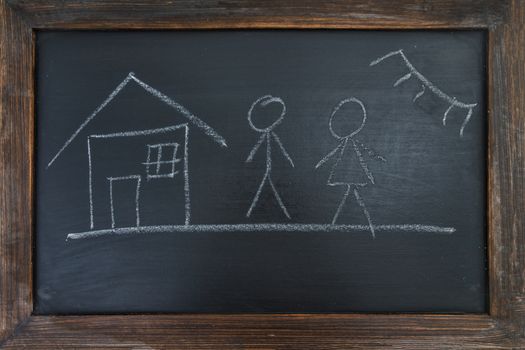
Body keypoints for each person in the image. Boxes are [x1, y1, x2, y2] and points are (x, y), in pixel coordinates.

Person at [315, 97, 385, 237]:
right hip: (351, 172)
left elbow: (364, 150)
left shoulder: (351, 142)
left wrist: (322, 162)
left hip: (351, 172)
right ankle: (368, 226)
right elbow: (360, 151)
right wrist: (322, 162)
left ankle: (335, 224)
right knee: (353, 197)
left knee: (350, 196)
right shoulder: (350, 142)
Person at [245, 95, 294, 219]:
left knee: (271, 184)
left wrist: (288, 158)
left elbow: (278, 145)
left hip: (273, 168)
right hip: (265, 167)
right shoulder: (267, 133)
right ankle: (251, 211)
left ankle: (251, 211)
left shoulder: (269, 133)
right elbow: (275, 145)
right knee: (266, 183)